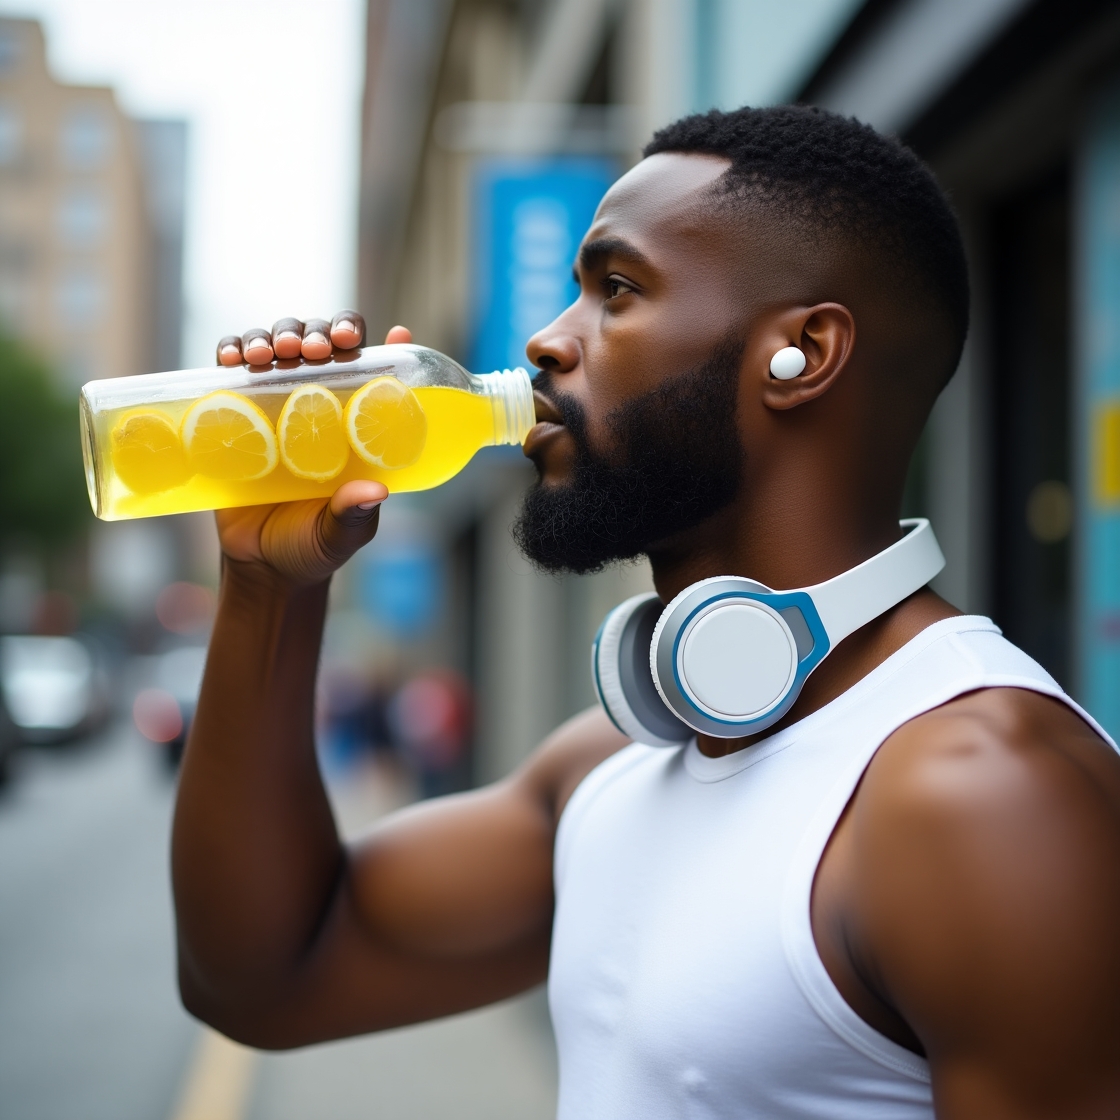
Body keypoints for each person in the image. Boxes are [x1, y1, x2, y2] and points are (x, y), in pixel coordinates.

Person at [172, 106, 1120, 1118]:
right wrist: (270, 588)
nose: (546, 339)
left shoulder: (985, 796)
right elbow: (268, 976)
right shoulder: (613, 763)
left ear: (802, 352)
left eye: (615, 289)